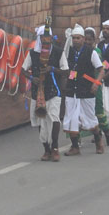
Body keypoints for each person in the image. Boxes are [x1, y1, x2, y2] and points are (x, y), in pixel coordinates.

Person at [22, 24, 67, 162]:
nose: (45, 41)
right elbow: (23, 69)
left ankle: (55, 147)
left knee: (54, 119)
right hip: (38, 92)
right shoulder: (33, 53)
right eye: (43, 38)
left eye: (48, 38)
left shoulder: (58, 52)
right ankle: (46, 149)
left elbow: (66, 72)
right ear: (40, 38)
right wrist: (31, 78)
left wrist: (52, 69)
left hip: (53, 91)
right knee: (39, 120)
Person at [62, 25, 105, 156]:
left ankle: (98, 141)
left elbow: (101, 70)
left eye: (78, 38)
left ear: (83, 39)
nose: (75, 40)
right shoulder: (69, 52)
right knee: (71, 119)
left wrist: (96, 84)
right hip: (72, 91)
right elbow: (69, 70)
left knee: (90, 119)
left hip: (86, 91)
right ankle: (75, 147)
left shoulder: (90, 52)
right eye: (74, 38)